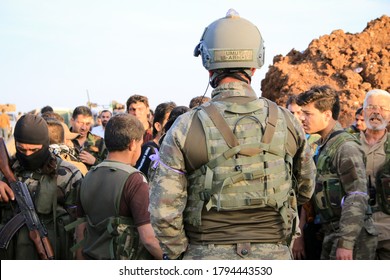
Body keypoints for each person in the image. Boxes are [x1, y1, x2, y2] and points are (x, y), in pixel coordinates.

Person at [149, 9, 316, 260]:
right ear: (254, 65)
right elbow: (304, 190)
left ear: (208, 66)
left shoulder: (185, 126)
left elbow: (163, 210)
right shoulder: (287, 121)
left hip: (204, 255)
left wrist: (179, 254)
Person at [296, 85, 377, 260]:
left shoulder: (345, 147)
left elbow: (357, 195)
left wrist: (346, 243)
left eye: (308, 114)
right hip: (332, 233)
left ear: (327, 115)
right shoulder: (323, 146)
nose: (302, 118)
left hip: (352, 237)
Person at [76, 113, 163, 260]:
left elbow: (80, 231)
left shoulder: (88, 175)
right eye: (141, 144)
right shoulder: (134, 180)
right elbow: (149, 239)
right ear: (132, 144)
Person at [0, 114, 83, 259]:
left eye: (34, 150)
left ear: (45, 144)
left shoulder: (67, 174)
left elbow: (82, 223)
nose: (27, 155)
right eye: (21, 149)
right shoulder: (6, 171)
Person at [286, 95, 322, 260]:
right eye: (291, 112)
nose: (296, 118)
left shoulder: (316, 141)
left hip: (308, 212)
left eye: (300, 113)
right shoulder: (281, 140)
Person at [359, 89, 390, 259]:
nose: (376, 112)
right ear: (363, 112)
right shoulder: (348, 146)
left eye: (383, 108)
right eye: (371, 107)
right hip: (357, 234)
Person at [135, 102, 176, 178]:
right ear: (158, 126)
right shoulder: (149, 149)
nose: (173, 125)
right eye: (169, 121)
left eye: (176, 121)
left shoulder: (174, 151)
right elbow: (139, 177)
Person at [70, 106, 107, 170]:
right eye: (80, 123)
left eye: (87, 124)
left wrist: (95, 162)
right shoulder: (63, 140)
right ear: (72, 121)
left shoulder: (99, 142)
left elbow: (107, 167)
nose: (84, 128)